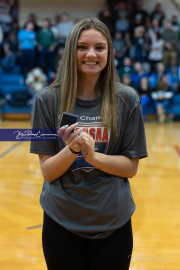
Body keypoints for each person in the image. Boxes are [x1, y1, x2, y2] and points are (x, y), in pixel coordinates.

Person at [30, 17, 148, 270]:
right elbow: (48, 171)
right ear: (71, 50)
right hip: (60, 221)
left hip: (114, 222)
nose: (91, 54)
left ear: (109, 52)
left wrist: (93, 157)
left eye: (99, 47)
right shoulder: (46, 100)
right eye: (82, 47)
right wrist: (73, 149)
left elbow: (131, 167)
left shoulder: (127, 99)